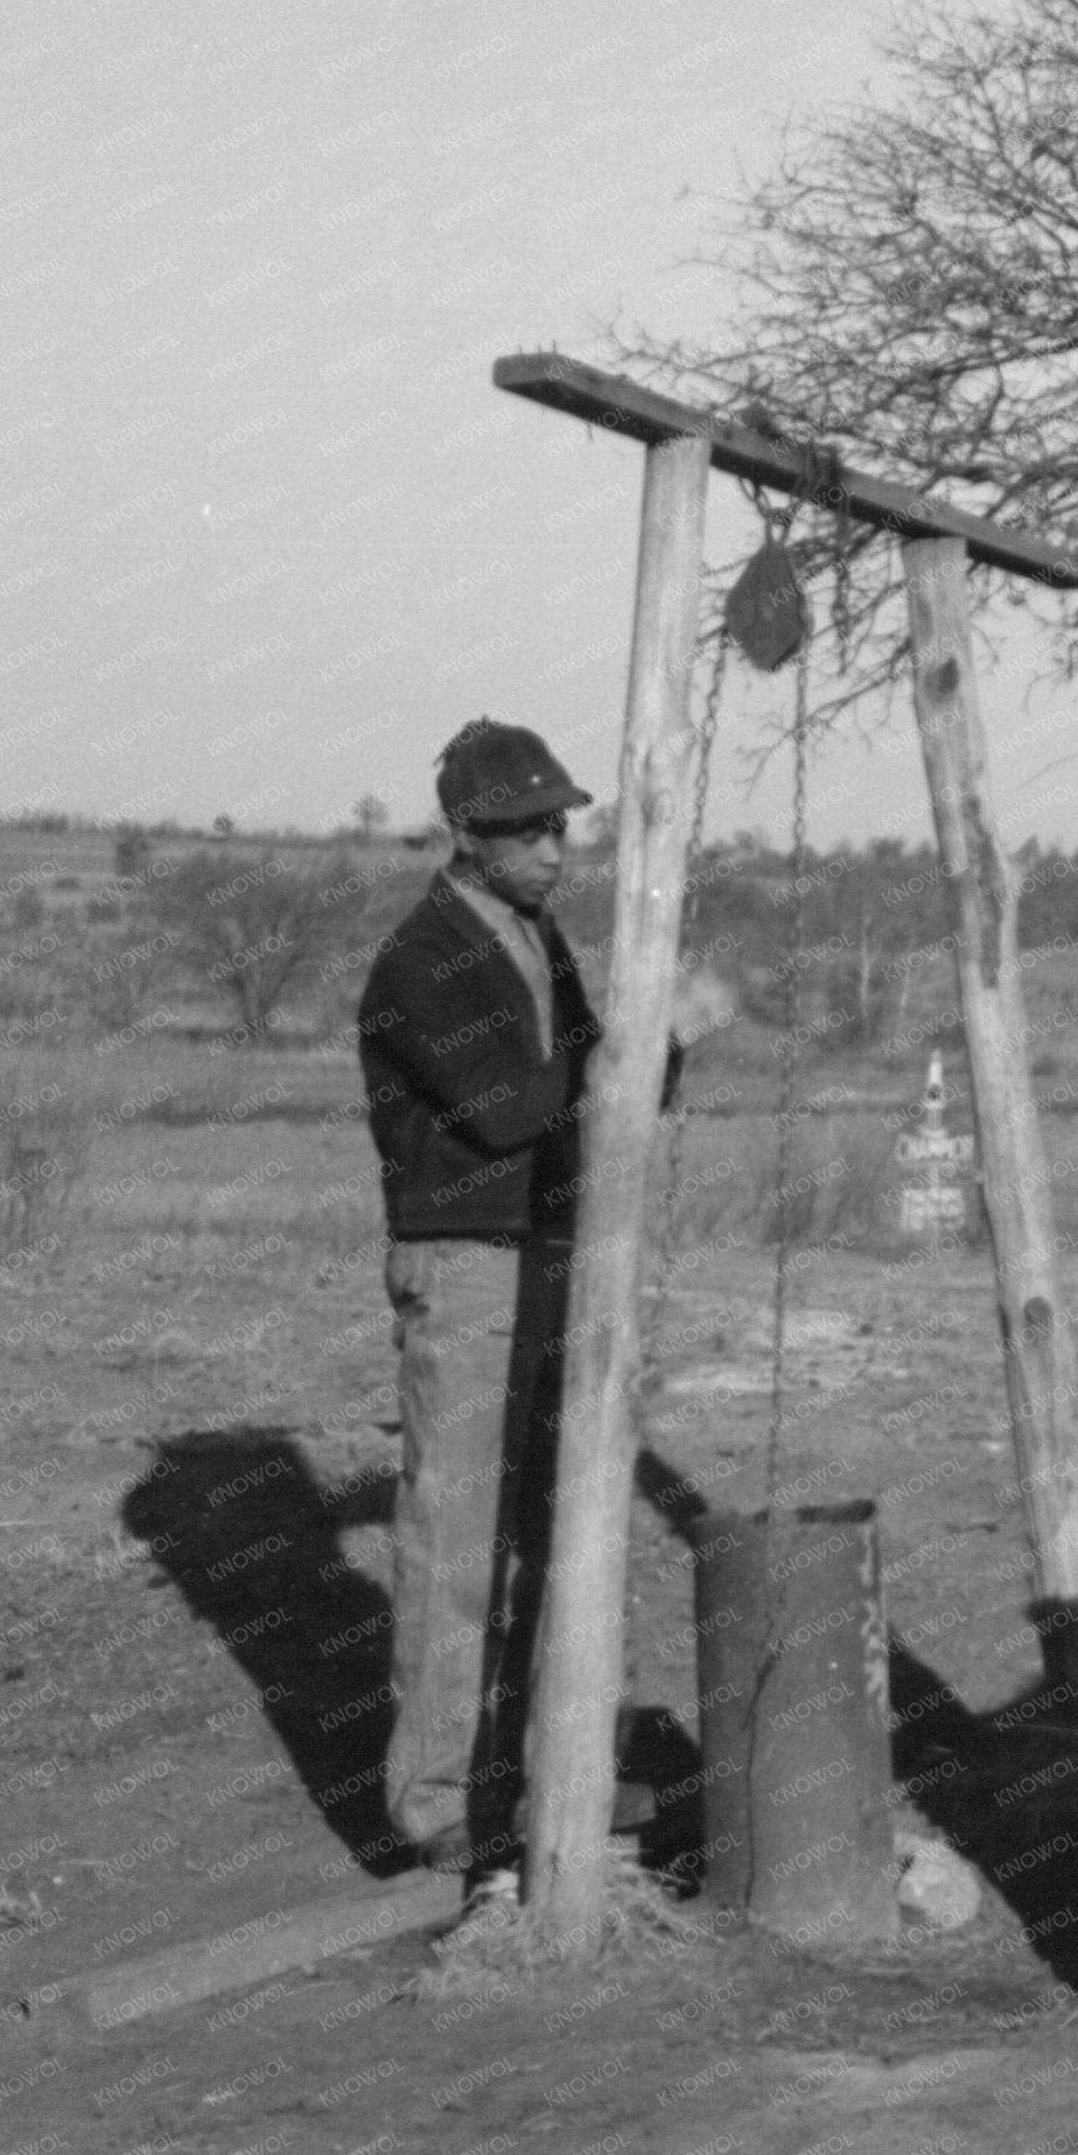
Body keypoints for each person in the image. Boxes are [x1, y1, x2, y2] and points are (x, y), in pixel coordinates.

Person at [352, 718, 731, 1884]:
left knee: (554, 1530)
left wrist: (658, 1053)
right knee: (459, 1537)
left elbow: (594, 1092)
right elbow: (512, 1109)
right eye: (527, 830)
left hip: (551, 1252)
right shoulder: (422, 961)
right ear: (467, 834)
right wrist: (651, 1034)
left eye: (559, 826)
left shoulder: (535, 939)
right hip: (470, 1262)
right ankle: (437, 1801)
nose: (553, 849)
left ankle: (543, 1777)